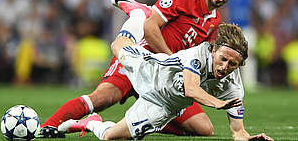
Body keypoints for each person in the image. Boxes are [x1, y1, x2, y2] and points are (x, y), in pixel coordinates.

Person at [38, 0, 247, 137]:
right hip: (142, 62)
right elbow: (150, 29)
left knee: (204, 129)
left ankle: (138, 121)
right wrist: (172, 61)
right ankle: (46, 127)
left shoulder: (214, 20)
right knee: (102, 99)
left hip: (166, 80)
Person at [58, 21, 273, 141]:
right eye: (223, 59)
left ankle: (91, 122)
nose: (225, 66)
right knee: (117, 45)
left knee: (111, 137)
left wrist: (250, 139)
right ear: (213, 50)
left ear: (240, 66)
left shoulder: (234, 88)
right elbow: (191, 89)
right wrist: (217, 103)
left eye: (232, 64)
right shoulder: (199, 54)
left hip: (163, 105)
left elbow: (238, 132)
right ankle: (137, 13)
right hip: (151, 70)